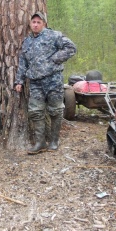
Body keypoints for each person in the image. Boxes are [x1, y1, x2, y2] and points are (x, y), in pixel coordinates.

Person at [15, 12, 76, 154]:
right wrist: (19, 81)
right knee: (35, 112)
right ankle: (40, 142)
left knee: (55, 111)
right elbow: (23, 62)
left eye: (38, 22)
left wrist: (55, 58)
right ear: (30, 24)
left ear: (44, 24)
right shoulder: (27, 42)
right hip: (35, 82)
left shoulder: (54, 35)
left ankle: (54, 140)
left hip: (53, 80)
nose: (35, 24)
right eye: (33, 22)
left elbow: (71, 48)